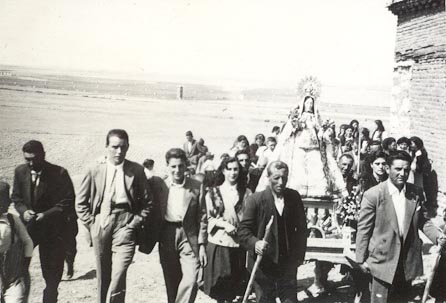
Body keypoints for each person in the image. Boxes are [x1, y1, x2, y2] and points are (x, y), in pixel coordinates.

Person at [356, 151, 446, 303]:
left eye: (406, 169)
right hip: (382, 261)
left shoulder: (415, 193)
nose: (402, 173)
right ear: (388, 168)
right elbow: (364, 230)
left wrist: (438, 237)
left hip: (407, 261)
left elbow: (423, 221)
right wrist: (360, 260)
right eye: (397, 169)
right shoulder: (373, 195)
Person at [76, 129, 152, 303]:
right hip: (101, 221)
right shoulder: (94, 169)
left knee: (119, 273)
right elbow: (80, 203)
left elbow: (148, 203)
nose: (119, 152)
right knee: (103, 273)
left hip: (126, 223)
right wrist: (91, 223)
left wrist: (134, 223)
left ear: (128, 147)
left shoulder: (136, 170)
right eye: (115, 147)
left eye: (123, 147)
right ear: (106, 147)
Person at [256, 80, 345, 199]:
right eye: (307, 103)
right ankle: (297, 190)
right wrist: (294, 125)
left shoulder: (316, 119)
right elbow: (288, 132)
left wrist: (323, 132)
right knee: (299, 169)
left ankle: (317, 191)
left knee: (316, 169)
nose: (309, 105)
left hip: (313, 147)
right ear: (303, 104)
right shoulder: (298, 117)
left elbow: (320, 132)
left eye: (311, 103)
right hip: (299, 146)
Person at [11, 140, 76, 303]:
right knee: (18, 270)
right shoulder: (20, 172)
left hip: (53, 232)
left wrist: (45, 215)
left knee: (52, 276)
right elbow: (16, 198)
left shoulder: (59, 173)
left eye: (34, 159)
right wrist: (24, 211)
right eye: (27, 159)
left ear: (43, 155)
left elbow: (67, 201)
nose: (31, 163)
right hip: (27, 229)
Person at [238, 161, 307, 303]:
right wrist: (255, 243)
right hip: (263, 263)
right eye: (276, 178)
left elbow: (301, 230)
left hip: (287, 263)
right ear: (268, 178)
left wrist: (299, 256)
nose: (281, 182)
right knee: (265, 300)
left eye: (284, 178)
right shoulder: (255, 200)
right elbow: (243, 231)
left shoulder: (294, 197)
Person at [158, 148, 207, 303]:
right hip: (167, 234)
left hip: (189, 236)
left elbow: (203, 216)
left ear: (186, 166)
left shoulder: (196, 186)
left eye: (180, 166)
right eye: (173, 166)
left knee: (192, 279)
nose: (177, 170)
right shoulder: (160, 185)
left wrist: (202, 243)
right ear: (167, 166)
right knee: (172, 282)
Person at [202, 157, 251, 303]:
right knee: (220, 284)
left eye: (236, 169)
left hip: (239, 243)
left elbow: (250, 217)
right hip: (220, 243)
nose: (233, 172)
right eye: (229, 169)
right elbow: (208, 218)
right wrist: (224, 225)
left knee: (234, 285)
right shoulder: (213, 192)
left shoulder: (247, 193)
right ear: (223, 170)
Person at [0, 181, 34, 303]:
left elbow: (28, 242)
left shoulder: (12, 220)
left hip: (14, 277)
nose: (8, 203)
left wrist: (24, 265)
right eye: (3, 200)